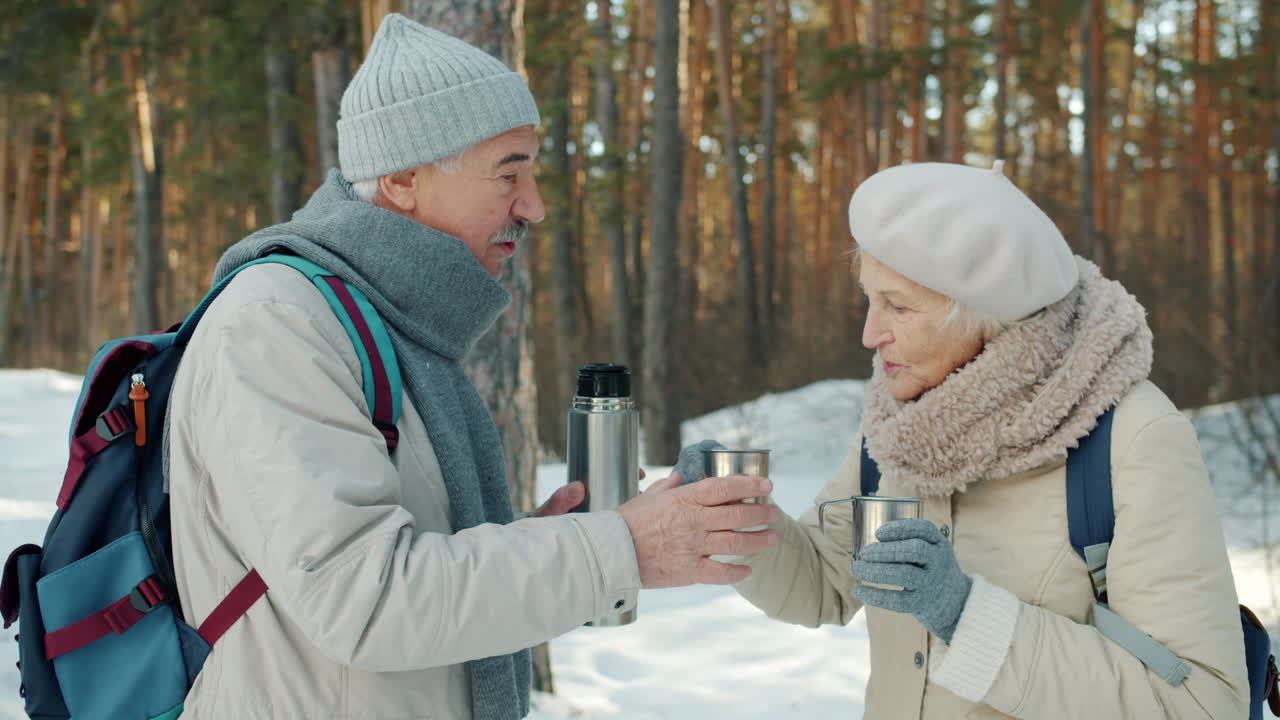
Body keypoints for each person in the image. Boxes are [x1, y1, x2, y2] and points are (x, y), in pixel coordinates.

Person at [166, 14, 777, 720]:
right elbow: (363, 599)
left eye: (532, 171)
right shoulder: (277, 325)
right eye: (508, 173)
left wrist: (548, 540)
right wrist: (618, 550)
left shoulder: (386, 323)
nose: (534, 206)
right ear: (403, 178)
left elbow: (398, 566)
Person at [683, 161, 1249, 718]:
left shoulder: (1132, 436)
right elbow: (824, 583)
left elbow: (1204, 704)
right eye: (869, 299)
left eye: (898, 306)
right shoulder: (899, 418)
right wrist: (735, 514)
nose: (870, 334)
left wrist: (966, 616)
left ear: (986, 316)